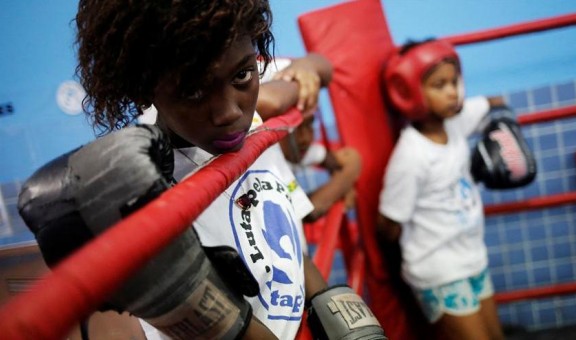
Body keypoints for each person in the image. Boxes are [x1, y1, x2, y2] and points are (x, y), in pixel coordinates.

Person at [19, 1, 385, 339]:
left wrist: (343, 318)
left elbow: (282, 239)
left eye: (242, 75)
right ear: (143, 87)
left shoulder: (251, 128)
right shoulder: (139, 183)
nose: (228, 112)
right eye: (193, 91)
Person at [378, 39, 507, 340]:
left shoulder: (454, 123)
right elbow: (387, 224)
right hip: (439, 271)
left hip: (473, 257)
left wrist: (506, 127)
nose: (453, 91)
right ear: (409, 91)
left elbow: (493, 104)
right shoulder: (411, 155)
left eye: (454, 81)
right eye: (439, 85)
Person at [257, 55, 362, 222]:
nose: (306, 138)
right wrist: (347, 177)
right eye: (296, 128)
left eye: (310, 125)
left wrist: (305, 66)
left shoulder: (276, 75)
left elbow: (323, 65)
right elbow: (308, 211)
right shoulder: (268, 159)